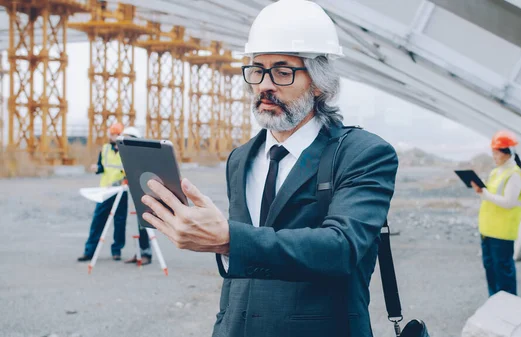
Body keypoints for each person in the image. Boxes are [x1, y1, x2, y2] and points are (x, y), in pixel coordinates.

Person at [140, 1, 399, 336]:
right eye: (257, 70)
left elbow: (341, 249)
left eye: (282, 71)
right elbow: (242, 268)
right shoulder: (241, 158)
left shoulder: (362, 154)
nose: (264, 84)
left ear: (319, 82)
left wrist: (230, 239)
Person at [471, 130, 521, 296]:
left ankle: (508, 310)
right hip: (488, 230)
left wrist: (484, 193)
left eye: (496, 152)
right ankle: (494, 307)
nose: (494, 156)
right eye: (493, 152)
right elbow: (491, 197)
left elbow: (509, 202)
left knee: (503, 274)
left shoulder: (515, 174)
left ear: (507, 153)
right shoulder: (496, 172)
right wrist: (482, 191)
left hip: (502, 233)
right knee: (491, 271)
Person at [77, 122, 128, 262]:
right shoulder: (105, 149)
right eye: (112, 134)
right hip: (105, 191)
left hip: (120, 191)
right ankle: (89, 251)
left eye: (117, 134)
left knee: (119, 222)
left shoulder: (127, 151)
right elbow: (102, 167)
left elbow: (129, 170)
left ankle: (116, 250)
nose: (114, 137)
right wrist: (97, 168)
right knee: (98, 221)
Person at [119, 126, 153, 266]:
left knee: (143, 224)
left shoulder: (143, 154)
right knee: (136, 224)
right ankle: (138, 253)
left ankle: (146, 253)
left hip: (144, 192)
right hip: (134, 189)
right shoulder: (129, 155)